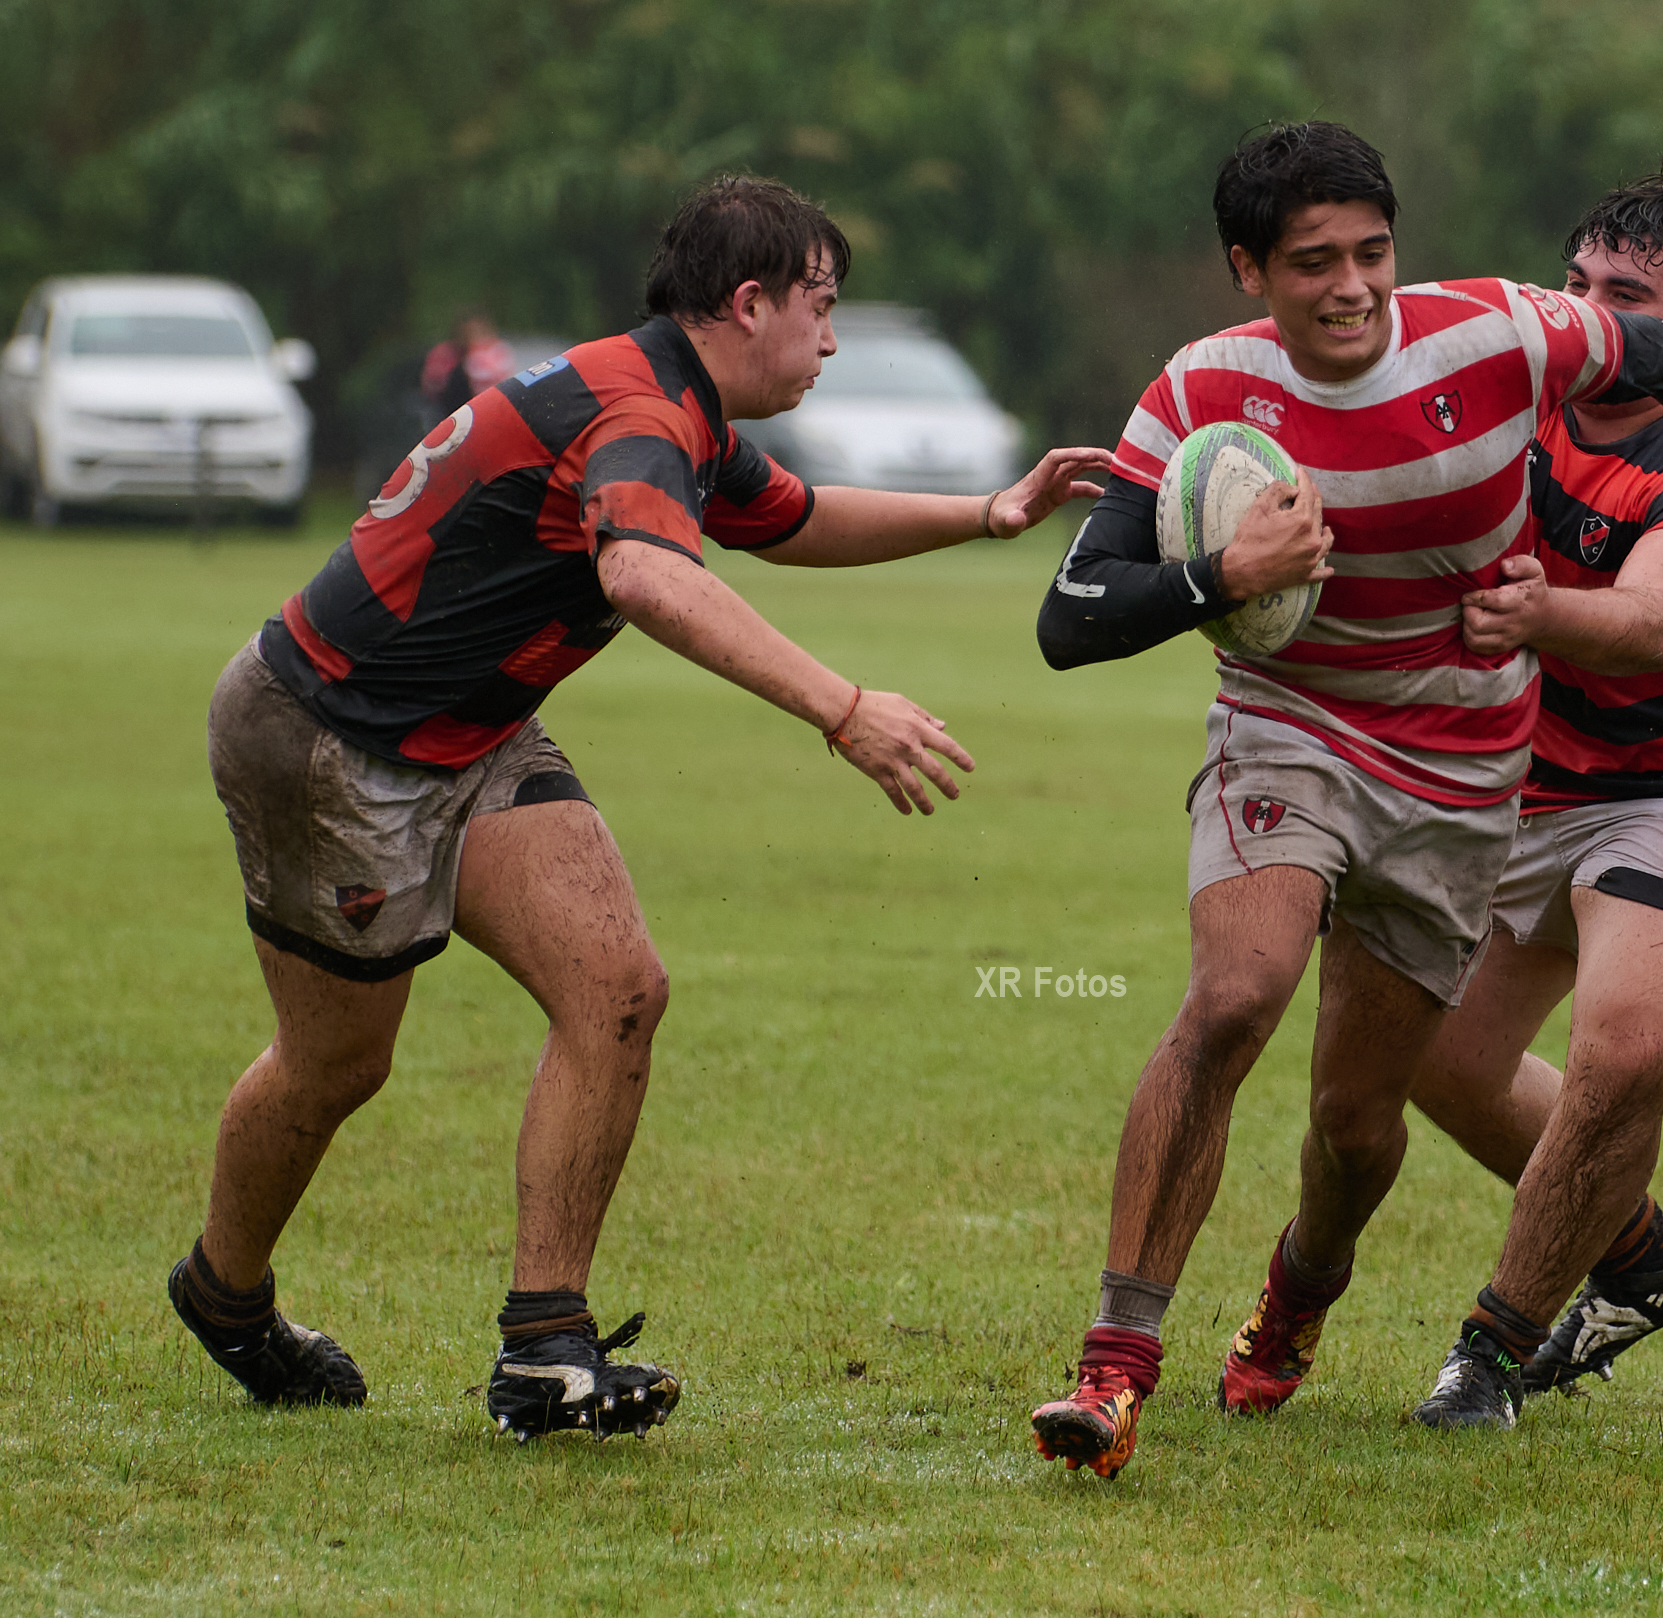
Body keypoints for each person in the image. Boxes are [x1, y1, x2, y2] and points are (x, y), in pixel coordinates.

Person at [169, 175, 1110, 1441]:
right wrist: (841, 707)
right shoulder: (636, 409)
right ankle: (225, 1295)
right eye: (821, 309)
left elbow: (795, 521)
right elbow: (646, 578)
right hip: (331, 737)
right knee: (339, 1062)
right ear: (748, 301)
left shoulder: (685, 410)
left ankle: (543, 1352)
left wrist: (989, 515)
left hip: (471, 730)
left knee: (617, 986)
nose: (831, 340)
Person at [1027, 122, 1663, 1480]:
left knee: (1457, 1098)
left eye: (1372, 254)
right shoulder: (1250, 388)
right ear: (1249, 271)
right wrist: (1221, 573)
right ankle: (1118, 1370)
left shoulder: (1638, 434)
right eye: (1312, 259)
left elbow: (1654, 615)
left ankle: (1407, 1315)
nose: (1588, 312)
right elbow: (1071, 617)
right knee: (1255, 1005)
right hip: (1368, 750)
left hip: (1577, 785)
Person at [1400, 172, 1663, 1427]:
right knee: (1430, 1055)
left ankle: (1490, 1352)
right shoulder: (1511, 408)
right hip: (1529, 785)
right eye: (1574, 287)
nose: (1587, 317)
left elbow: (1656, 617)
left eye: (1625, 298)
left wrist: (1532, 611)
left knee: (1619, 1056)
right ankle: (1638, 1255)